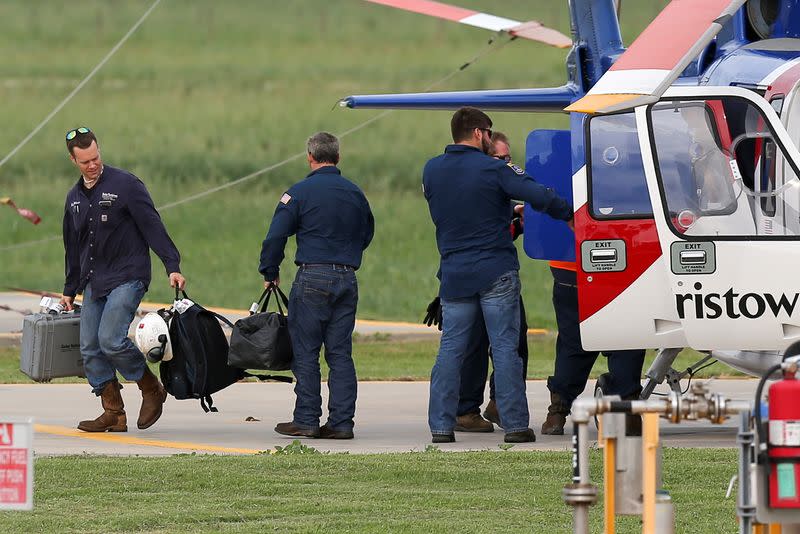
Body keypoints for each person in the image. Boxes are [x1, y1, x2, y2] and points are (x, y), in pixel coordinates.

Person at [423, 107, 573, 444]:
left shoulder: (432, 170)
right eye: (489, 133)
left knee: (450, 350)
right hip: (495, 271)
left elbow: (462, 207)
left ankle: (441, 427)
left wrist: (502, 210)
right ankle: (516, 425)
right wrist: (567, 215)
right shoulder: (494, 169)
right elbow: (538, 194)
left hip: (455, 274)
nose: (491, 139)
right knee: (505, 348)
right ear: (478, 133)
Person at [59, 126, 185, 433]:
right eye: (85, 161)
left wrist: (172, 264)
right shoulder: (74, 198)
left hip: (128, 275)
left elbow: (152, 225)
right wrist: (69, 289)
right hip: (94, 280)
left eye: (96, 157)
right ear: (73, 160)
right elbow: (73, 247)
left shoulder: (126, 185)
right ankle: (113, 412)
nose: (93, 164)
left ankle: (151, 387)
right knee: (89, 347)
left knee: (111, 340)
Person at [260, 132, 374, 440]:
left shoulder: (298, 193)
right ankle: (341, 423)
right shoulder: (355, 193)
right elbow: (367, 233)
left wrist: (269, 270)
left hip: (312, 278)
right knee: (340, 353)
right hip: (347, 278)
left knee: (306, 352)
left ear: (310, 157)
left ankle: (307, 419)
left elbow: (275, 237)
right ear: (338, 157)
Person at [423, 132, 529, 433]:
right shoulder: (485, 178)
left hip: (460, 274)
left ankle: (447, 423)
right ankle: (484, 414)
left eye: (509, 158)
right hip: (489, 274)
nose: (507, 163)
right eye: (500, 158)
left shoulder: (446, 175)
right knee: (489, 347)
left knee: (476, 346)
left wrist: (513, 218)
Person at [543, 268, 645, 434]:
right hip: (623, 268)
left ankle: (557, 414)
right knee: (625, 340)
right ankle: (628, 413)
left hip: (569, 271)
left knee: (572, 344)